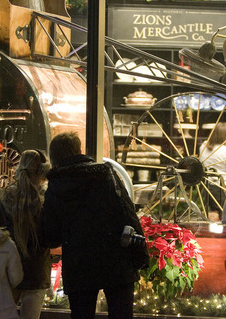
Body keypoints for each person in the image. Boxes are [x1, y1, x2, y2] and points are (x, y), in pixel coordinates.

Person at [42, 131, 146, 319]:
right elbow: (127, 212)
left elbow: (51, 235)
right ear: (79, 150)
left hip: (79, 263)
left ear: (54, 156)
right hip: (116, 258)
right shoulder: (105, 174)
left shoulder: (55, 186)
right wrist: (140, 255)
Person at [0, 149, 52, 319]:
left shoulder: (7, 197)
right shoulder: (44, 201)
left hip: (10, 270)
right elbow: (50, 237)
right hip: (36, 273)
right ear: (43, 171)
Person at [199, 122, 226, 219]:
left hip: (206, 187)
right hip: (222, 189)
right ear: (225, 135)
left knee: (211, 217)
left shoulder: (203, 147)